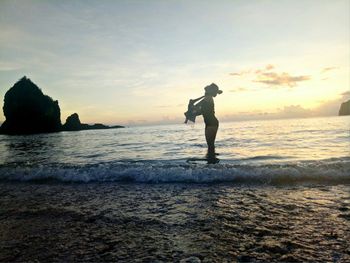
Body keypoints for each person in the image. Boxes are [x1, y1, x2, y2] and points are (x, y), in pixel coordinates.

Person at [199, 83, 222, 163]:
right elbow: (202, 112)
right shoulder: (207, 98)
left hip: (212, 123)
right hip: (210, 123)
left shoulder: (208, 98)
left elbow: (206, 89)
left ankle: (211, 163)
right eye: (215, 92)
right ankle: (212, 162)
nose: (216, 94)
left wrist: (193, 110)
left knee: (210, 145)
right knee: (210, 144)